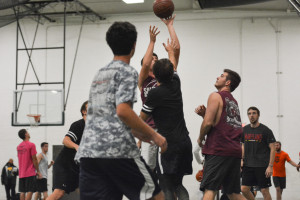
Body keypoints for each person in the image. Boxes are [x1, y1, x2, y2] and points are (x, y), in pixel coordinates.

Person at [75, 21, 167, 200]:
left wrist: (135, 131)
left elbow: (106, 116)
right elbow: (123, 111)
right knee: (156, 196)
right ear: (133, 46)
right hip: (116, 151)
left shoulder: (99, 74)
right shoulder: (127, 71)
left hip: (89, 153)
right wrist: (154, 135)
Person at [141, 33, 192, 199]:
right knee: (177, 184)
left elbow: (140, 119)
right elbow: (173, 63)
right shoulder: (175, 82)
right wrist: (169, 49)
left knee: (167, 185)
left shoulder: (155, 93)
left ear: (156, 73)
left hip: (165, 141)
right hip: (183, 139)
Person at [138, 15, 180, 171]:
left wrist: (170, 26)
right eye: (151, 58)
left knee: (167, 172)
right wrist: (152, 42)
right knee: (148, 169)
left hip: (167, 128)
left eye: (156, 58)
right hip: (149, 130)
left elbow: (176, 51)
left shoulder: (166, 78)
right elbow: (146, 63)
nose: (154, 59)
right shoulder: (143, 80)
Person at [195, 69, 245, 200]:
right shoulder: (233, 101)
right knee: (233, 193)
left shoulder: (215, 96)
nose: (218, 77)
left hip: (219, 150)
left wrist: (200, 139)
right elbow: (221, 123)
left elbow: (208, 123)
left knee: (209, 190)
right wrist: (204, 115)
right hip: (234, 151)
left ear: (227, 82)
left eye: (222, 76)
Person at [47, 101, 87, 200]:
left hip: (78, 167)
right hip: (65, 165)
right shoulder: (78, 125)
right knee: (58, 193)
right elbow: (65, 140)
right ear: (83, 111)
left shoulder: (95, 129)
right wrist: (76, 146)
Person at [241, 106, 276, 200]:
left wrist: (270, 166)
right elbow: (243, 145)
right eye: (249, 113)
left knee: (264, 191)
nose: (251, 115)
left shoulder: (266, 130)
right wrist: (241, 159)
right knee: (244, 189)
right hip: (248, 165)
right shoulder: (244, 130)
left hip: (262, 166)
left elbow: (273, 149)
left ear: (258, 115)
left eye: (254, 113)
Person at [17, 129, 42, 200]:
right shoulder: (31, 145)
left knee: (22, 191)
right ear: (26, 134)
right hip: (30, 172)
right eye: (27, 132)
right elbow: (34, 159)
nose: (29, 133)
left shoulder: (19, 146)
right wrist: (38, 171)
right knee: (30, 190)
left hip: (21, 173)